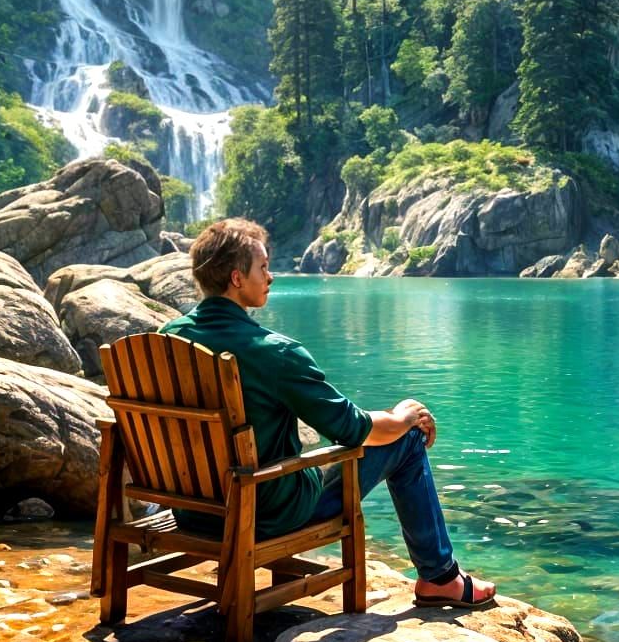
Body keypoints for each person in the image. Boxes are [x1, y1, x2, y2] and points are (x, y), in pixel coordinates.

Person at [159, 217, 497, 608]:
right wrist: (404, 416)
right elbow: (350, 429)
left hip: (194, 512)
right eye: (264, 268)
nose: (271, 277)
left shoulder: (169, 338)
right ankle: (440, 577)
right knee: (406, 440)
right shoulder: (272, 351)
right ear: (237, 278)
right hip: (264, 513)